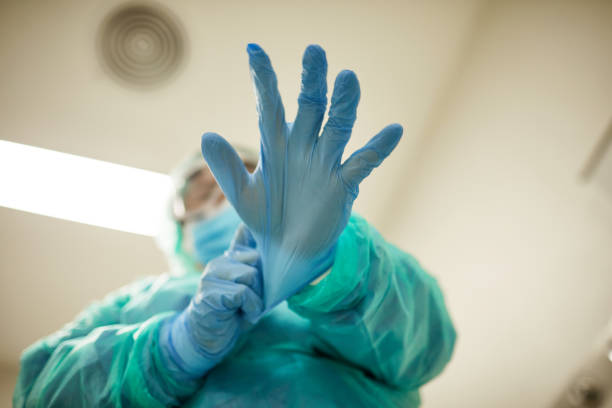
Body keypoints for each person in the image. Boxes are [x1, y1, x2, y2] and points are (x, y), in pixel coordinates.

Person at [13, 44, 456, 408]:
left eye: (239, 183)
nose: (221, 197)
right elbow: (38, 393)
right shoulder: (134, 303)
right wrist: (171, 348)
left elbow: (428, 349)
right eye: (199, 195)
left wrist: (331, 271)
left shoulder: (355, 262)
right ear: (178, 232)